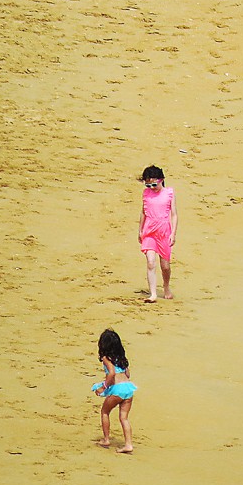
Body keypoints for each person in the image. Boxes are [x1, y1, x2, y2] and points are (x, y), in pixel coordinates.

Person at [92, 328, 136, 453]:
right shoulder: (122, 358)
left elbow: (111, 374)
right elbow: (127, 374)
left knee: (105, 412)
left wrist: (103, 387)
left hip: (118, 390)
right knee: (124, 418)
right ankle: (128, 444)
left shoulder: (106, 358)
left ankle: (106, 439)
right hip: (128, 388)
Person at [138, 165, 177, 303]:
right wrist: (140, 230)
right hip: (149, 231)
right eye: (148, 184)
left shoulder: (169, 193)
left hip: (164, 231)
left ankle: (166, 286)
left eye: (154, 183)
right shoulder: (146, 194)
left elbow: (174, 215)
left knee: (165, 266)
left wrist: (173, 233)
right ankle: (153, 294)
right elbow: (143, 212)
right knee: (150, 262)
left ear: (161, 180)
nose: (152, 187)